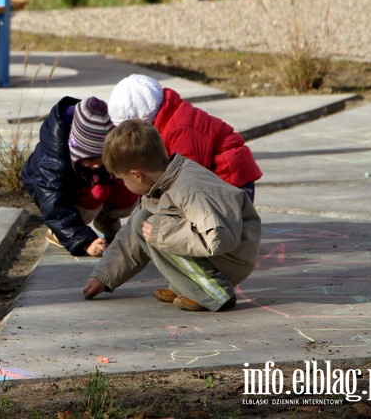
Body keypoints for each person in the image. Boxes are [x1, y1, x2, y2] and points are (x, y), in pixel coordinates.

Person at [83, 120, 261, 312]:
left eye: (122, 180)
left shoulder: (189, 188)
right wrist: (104, 276)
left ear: (137, 175)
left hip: (233, 257)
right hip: (222, 255)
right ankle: (185, 285)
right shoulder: (162, 183)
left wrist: (164, 233)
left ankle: (213, 291)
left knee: (152, 226)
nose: (124, 185)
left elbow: (219, 238)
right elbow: (131, 237)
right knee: (142, 221)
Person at [107, 74, 261, 201]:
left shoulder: (180, 130)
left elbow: (189, 178)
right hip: (215, 177)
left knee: (227, 229)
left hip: (231, 179)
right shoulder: (168, 118)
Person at [20, 96, 139, 257]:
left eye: (102, 159)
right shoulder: (51, 161)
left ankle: (106, 220)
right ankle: (59, 234)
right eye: (91, 159)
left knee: (128, 191)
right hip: (56, 191)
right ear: (75, 147)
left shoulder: (95, 127)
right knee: (95, 194)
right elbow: (54, 203)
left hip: (81, 178)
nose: (97, 165)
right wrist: (84, 241)